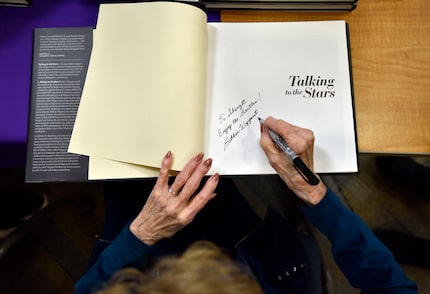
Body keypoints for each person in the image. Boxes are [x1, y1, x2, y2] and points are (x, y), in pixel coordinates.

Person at [75, 116, 418, 293]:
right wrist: (315, 195)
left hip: (131, 253)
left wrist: (143, 232)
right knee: (216, 192)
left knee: (121, 169)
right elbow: (392, 288)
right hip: (251, 254)